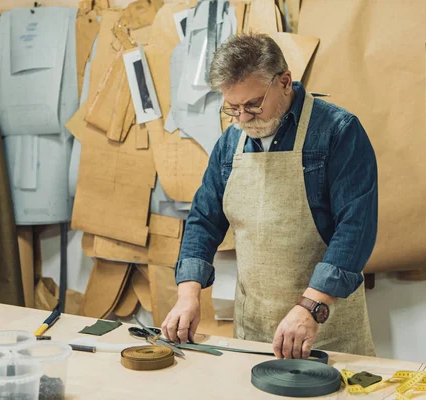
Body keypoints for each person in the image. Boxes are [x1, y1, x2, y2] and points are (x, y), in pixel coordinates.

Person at [160, 33, 378, 359]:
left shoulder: (337, 131)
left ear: (285, 82)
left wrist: (310, 306)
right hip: (253, 332)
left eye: (253, 105)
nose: (243, 118)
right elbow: (203, 220)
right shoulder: (230, 143)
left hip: (323, 328)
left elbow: (356, 230)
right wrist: (188, 293)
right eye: (232, 108)